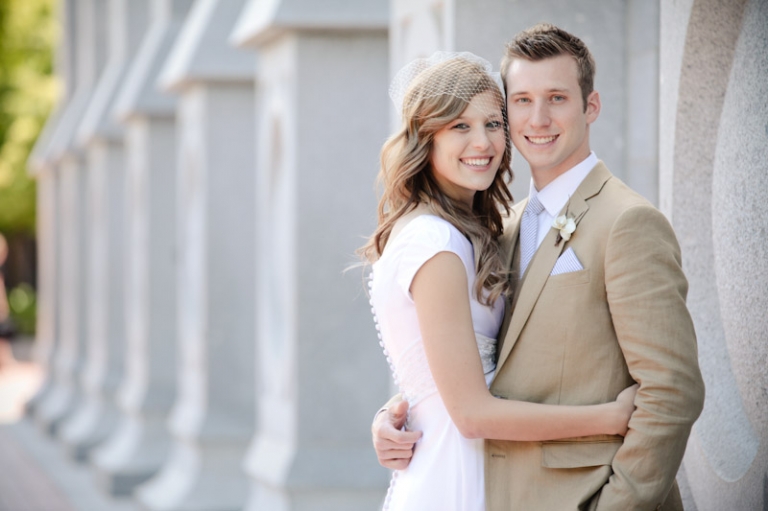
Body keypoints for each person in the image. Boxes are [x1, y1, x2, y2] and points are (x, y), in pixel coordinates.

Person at [372, 24, 705, 511]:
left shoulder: (628, 222)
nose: (539, 118)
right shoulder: (497, 229)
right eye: (522, 101)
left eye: (557, 98)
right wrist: (398, 413)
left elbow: (672, 392)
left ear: (590, 107)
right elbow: (461, 369)